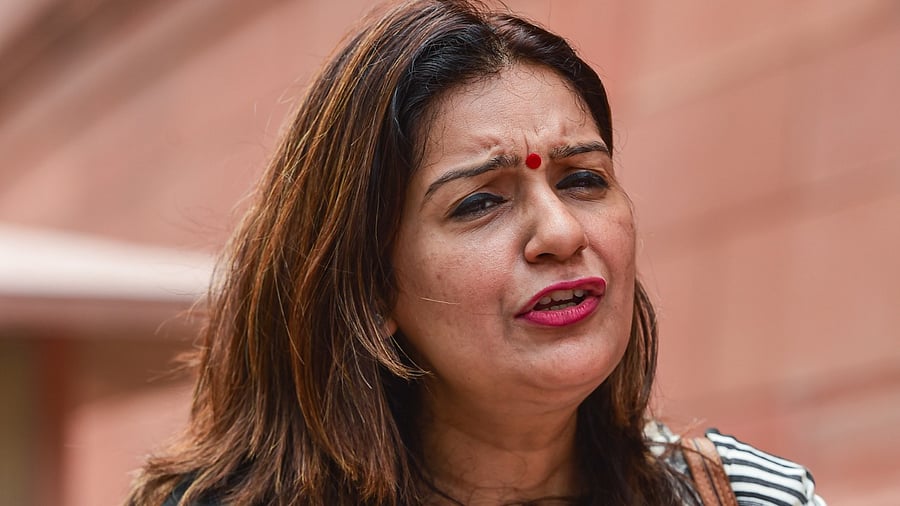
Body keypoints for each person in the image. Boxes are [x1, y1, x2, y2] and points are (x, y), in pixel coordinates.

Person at [127, 1, 826, 504]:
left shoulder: (751, 497)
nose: (560, 233)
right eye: (478, 202)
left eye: (582, 179)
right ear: (370, 289)